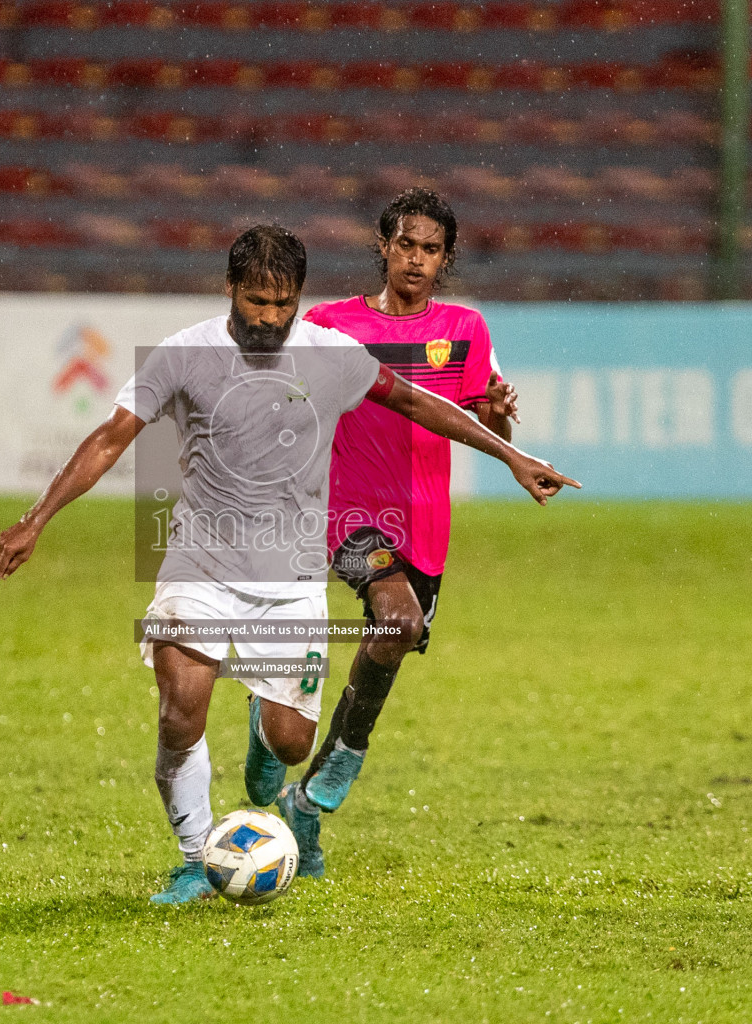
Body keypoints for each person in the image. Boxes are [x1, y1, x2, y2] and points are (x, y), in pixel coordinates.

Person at [0, 224, 575, 904]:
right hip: (198, 562)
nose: (269, 318)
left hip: (290, 575)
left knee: (292, 745)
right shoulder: (184, 353)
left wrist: (511, 456)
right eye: (256, 302)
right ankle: (194, 857)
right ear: (231, 289)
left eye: (282, 303)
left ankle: (265, 732)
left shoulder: (330, 354)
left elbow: (418, 403)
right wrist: (36, 518)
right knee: (181, 711)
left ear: (298, 296)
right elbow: (110, 437)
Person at [272, 188, 524, 879]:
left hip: (426, 523)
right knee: (397, 617)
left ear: (446, 258)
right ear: (382, 246)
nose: (417, 259)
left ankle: (304, 800)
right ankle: (335, 764)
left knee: (396, 637)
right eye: (406, 244)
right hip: (350, 510)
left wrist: (499, 415)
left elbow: (481, 422)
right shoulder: (329, 324)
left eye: (431, 249)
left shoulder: (466, 329)